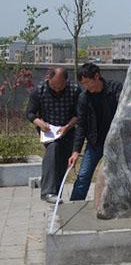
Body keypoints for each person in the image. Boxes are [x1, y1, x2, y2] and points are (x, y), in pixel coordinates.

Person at [68, 62, 122, 201]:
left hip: (117, 142)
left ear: (97, 76)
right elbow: (81, 126)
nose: (86, 86)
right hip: (95, 142)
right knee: (83, 175)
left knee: (119, 175)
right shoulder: (84, 98)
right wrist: (75, 151)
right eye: (83, 84)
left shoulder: (115, 89)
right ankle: (75, 203)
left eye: (87, 82)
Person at [26, 67, 80, 204]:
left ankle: (56, 194)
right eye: (54, 85)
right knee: (53, 150)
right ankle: (48, 192)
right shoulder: (39, 90)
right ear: (48, 79)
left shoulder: (74, 90)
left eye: (60, 86)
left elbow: (79, 114)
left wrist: (67, 126)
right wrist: (40, 123)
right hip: (48, 131)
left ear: (66, 81)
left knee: (62, 162)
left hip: (67, 129)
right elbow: (30, 113)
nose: (57, 89)